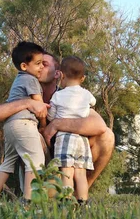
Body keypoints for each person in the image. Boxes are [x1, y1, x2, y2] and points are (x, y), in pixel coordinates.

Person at [0, 53, 115, 190]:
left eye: (44, 64)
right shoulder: (24, 94)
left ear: (58, 74)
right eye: (37, 63)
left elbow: (99, 125)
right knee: (32, 135)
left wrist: (56, 124)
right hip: (41, 164)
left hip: (66, 157)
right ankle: (35, 191)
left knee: (107, 137)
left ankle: (80, 193)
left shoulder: (69, 96)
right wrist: (28, 102)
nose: (39, 67)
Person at [0, 41, 47, 204]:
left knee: (9, 161)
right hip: (24, 123)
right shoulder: (31, 79)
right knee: (35, 161)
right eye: (38, 63)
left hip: (10, 125)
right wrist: (43, 125)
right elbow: (40, 107)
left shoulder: (19, 79)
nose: (42, 67)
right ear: (24, 66)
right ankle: (28, 200)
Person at [47, 56, 95, 204]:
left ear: (61, 75)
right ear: (83, 78)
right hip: (82, 138)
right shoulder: (86, 94)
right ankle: (83, 202)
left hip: (65, 137)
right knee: (80, 172)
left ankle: (67, 201)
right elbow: (93, 103)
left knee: (66, 171)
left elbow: (51, 116)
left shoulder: (58, 95)